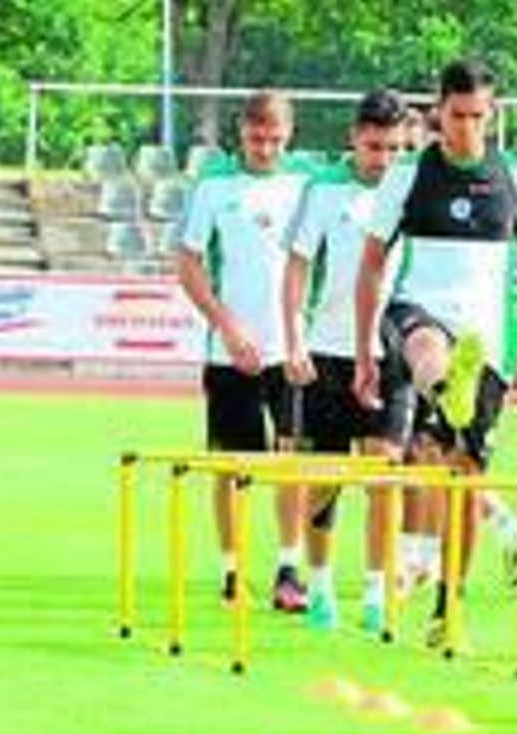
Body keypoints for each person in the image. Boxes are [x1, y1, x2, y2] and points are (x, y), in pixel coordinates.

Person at [353, 58, 517, 649]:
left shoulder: (516, 176)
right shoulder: (408, 175)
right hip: (416, 311)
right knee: (427, 347)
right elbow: (371, 263)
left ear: (492, 115)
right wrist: (367, 348)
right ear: (437, 110)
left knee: (464, 477)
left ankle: (449, 611)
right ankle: (448, 389)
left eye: (478, 117)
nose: (467, 128)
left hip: (485, 337)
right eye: (457, 115)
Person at [176, 90, 314, 611]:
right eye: (257, 138)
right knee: (232, 463)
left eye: (275, 139)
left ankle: (288, 568)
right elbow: (189, 264)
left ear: (290, 134)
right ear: (241, 132)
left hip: (290, 349)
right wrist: (227, 327)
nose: (265, 148)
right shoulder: (214, 184)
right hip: (230, 351)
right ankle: (232, 572)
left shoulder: (306, 183)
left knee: (292, 460)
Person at [282, 89, 411, 633]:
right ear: (354, 137)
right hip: (327, 351)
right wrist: (292, 339)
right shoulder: (325, 191)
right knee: (325, 475)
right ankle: (322, 586)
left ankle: (378, 591)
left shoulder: (410, 189)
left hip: (391, 348)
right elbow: (296, 267)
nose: (381, 159)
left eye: (392, 148)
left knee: (384, 471)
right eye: (373, 146)